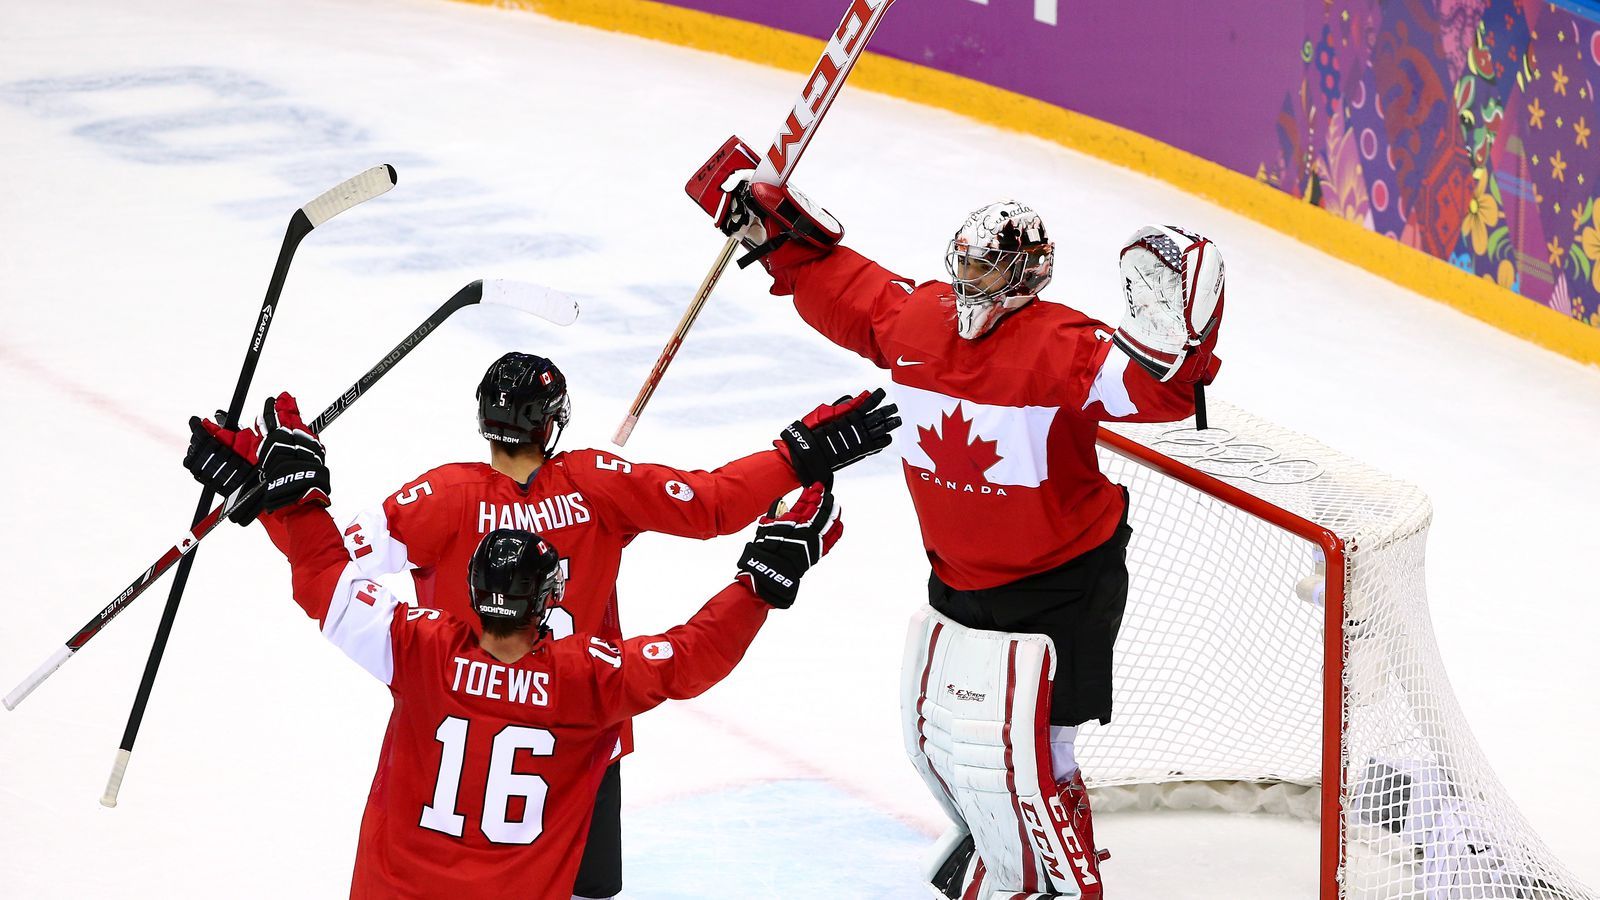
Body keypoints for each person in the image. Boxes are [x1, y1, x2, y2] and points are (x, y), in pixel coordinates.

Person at [692, 142, 1225, 898]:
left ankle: (1064, 876)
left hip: (1064, 582)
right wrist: (773, 232)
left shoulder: (1063, 347)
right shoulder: (918, 321)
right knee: (950, 741)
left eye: (988, 269)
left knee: (1042, 753)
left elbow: (1161, 391)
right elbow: (836, 284)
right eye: (964, 265)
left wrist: (1179, 339)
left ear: (1028, 274)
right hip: (958, 573)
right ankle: (1001, 848)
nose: (971, 283)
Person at [187, 353, 898, 900]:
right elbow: (712, 512)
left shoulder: (438, 521)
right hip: (579, 724)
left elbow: (332, 569)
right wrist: (796, 460)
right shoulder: (597, 491)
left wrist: (275, 495)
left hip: (443, 714)